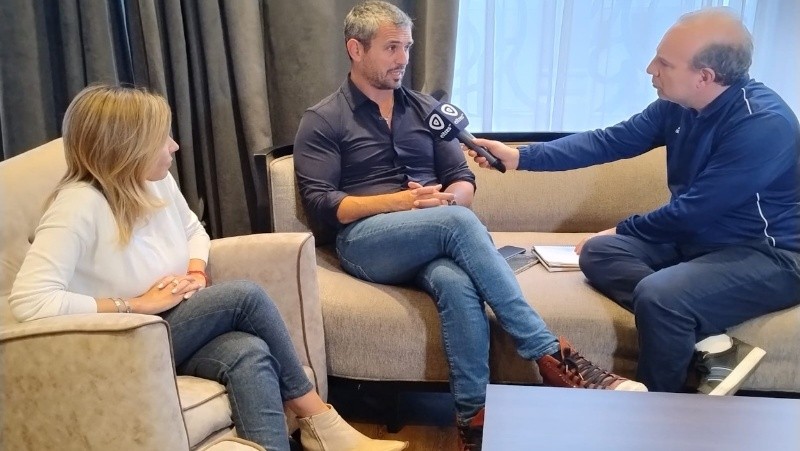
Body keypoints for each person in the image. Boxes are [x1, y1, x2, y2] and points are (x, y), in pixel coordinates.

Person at [294, 2, 647, 449]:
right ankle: (551, 355)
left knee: (456, 282)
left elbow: (462, 179)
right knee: (457, 223)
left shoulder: (427, 110)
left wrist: (445, 201)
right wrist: (405, 202)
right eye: (391, 48)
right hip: (367, 241)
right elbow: (324, 205)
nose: (403, 58)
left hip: (435, 229)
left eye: (407, 47)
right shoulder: (324, 119)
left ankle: (473, 426)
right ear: (355, 49)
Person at [8, 85, 408, 451]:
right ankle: (319, 419)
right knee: (244, 297)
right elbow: (30, 301)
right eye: (161, 138)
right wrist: (134, 305)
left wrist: (197, 271)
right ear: (127, 146)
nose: (174, 146)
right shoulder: (78, 205)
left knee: (248, 353)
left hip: (169, 325)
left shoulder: (154, 181)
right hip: (120, 345)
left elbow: (193, 231)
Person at [469, 7, 800, 396]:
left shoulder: (763, 124)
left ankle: (653, 411)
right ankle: (715, 345)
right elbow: (609, 141)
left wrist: (624, 228)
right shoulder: (679, 105)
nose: (649, 69)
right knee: (599, 253)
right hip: (700, 243)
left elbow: (693, 212)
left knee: (660, 295)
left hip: (769, 255)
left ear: (705, 77)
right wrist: (521, 157)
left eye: (664, 63)